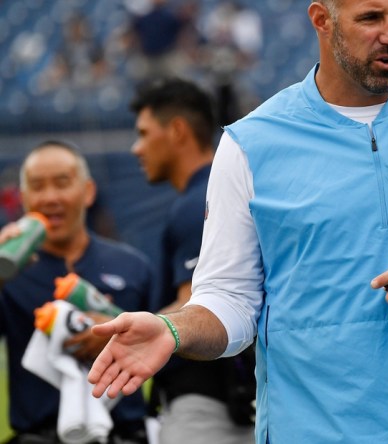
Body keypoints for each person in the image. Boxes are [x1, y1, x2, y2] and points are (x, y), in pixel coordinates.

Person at [88, 0, 388, 442]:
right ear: (321, 19)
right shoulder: (251, 144)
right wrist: (174, 329)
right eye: (370, 18)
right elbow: (230, 298)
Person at [0, 141, 155, 443]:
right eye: (37, 186)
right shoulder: (10, 273)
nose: (50, 197)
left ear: (88, 192)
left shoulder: (133, 267)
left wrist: (118, 334)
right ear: (23, 198)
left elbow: (171, 341)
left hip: (123, 434)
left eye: (62, 183)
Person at [128, 78, 255, 443]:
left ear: (178, 131)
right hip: (238, 395)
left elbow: (197, 302)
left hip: (209, 403)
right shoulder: (221, 188)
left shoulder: (198, 202)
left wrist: (116, 328)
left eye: (144, 133)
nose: (136, 148)